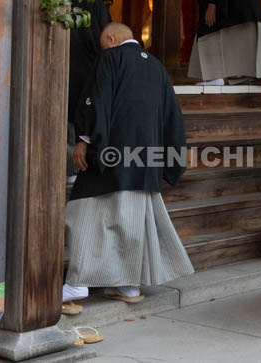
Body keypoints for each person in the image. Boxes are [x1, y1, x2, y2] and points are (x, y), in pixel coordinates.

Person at [62, 23, 193, 309]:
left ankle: (77, 284)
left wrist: (85, 140)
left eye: (103, 44)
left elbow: (96, 100)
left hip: (110, 154)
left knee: (84, 214)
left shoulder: (110, 59)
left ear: (111, 38)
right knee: (130, 221)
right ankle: (128, 286)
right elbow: (173, 115)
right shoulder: (158, 67)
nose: (102, 49)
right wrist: (171, 160)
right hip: (146, 159)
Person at [67, 0, 113, 184]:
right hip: (90, 67)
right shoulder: (94, 1)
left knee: (70, 119)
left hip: (71, 65)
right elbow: (108, 33)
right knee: (86, 115)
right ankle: (82, 167)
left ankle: (72, 168)